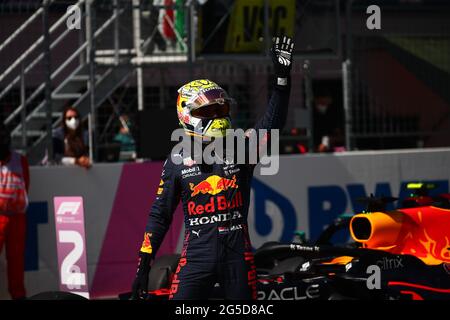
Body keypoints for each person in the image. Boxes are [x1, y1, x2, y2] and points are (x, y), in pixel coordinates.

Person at [131, 36, 294, 300]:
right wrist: (143, 265)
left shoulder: (240, 148)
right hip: (195, 261)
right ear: (187, 116)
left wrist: (282, 81)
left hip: (237, 261)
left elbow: (271, 126)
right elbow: (160, 216)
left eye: (222, 109)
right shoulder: (176, 160)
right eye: (209, 112)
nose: (218, 117)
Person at [0, 122, 29, 300]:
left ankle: (18, 295)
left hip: (18, 218)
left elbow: (27, 185)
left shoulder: (20, 160)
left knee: (16, 262)